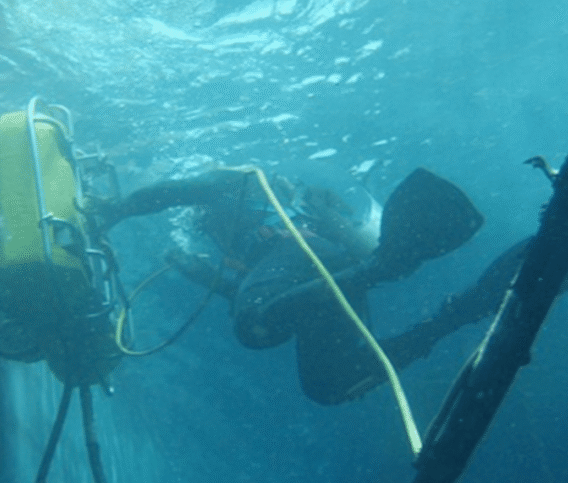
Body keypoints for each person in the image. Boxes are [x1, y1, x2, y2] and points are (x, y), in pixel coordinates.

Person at [94, 164, 531, 405]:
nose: (200, 224)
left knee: (254, 323)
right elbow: (276, 301)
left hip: (313, 257)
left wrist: (114, 210)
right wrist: (200, 272)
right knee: (328, 386)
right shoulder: (251, 236)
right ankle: (457, 314)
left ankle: (385, 268)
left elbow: (171, 191)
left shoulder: (232, 181)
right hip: (329, 272)